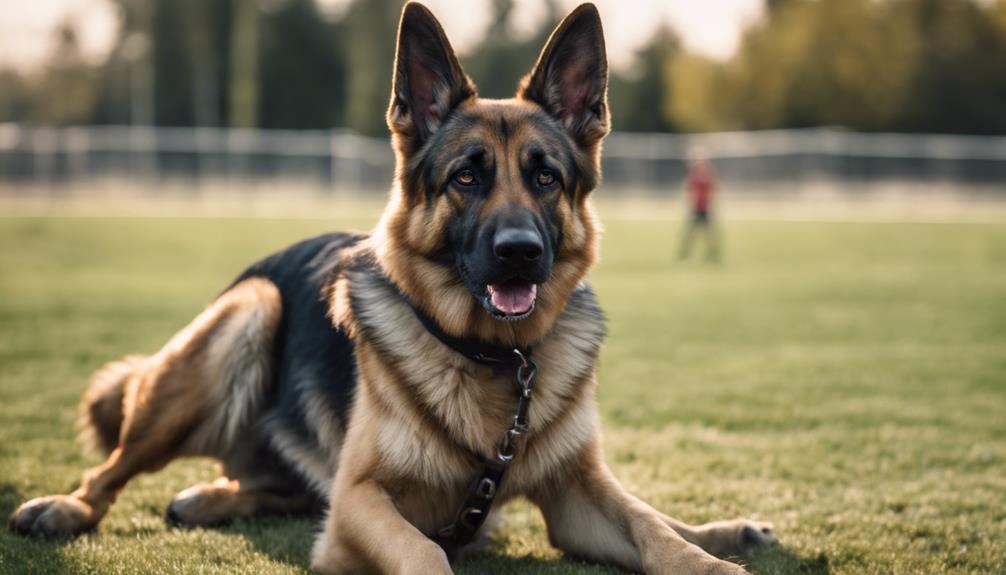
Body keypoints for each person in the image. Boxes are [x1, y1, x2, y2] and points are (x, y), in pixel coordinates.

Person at [677, 148, 720, 261]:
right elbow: (688, 190)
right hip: (696, 209)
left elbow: (713, 190)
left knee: (710, 234)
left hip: (705, 208)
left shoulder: (708, 175)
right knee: (689, 234)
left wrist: (709, 203)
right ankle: (684, 254)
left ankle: (712, 254)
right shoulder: (693, 175)